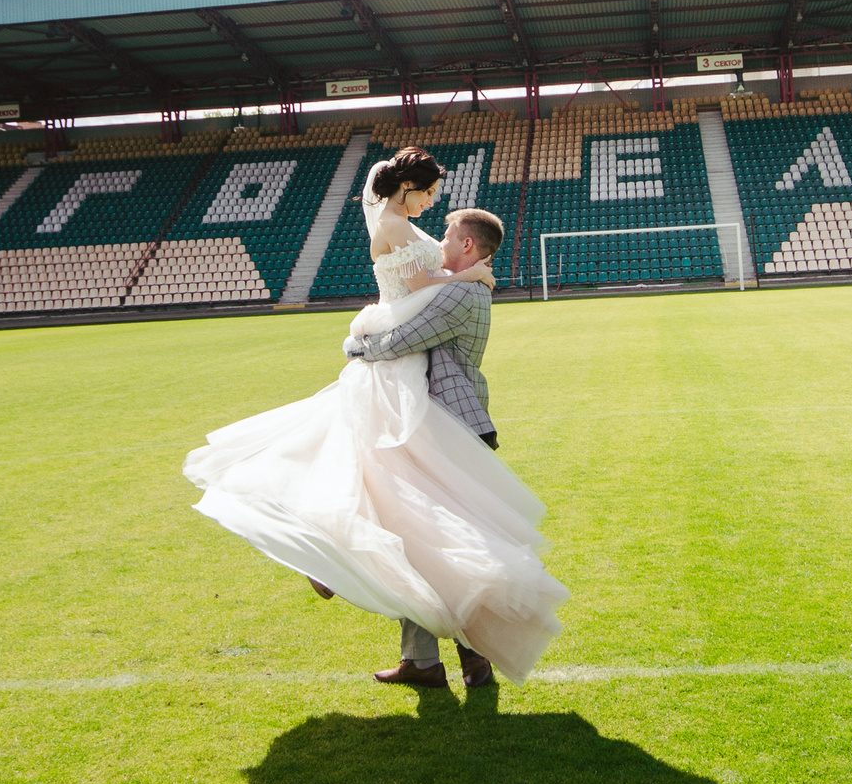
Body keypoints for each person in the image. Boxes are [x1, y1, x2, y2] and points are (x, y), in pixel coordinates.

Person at [182, 147, 566, 687]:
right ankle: (386, 612)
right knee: (397, 505)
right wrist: (467, 275)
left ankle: (347, 571)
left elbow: (410, 317)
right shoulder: (410, 240)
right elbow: (413, 294)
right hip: (404, 378)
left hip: (420, 386)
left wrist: (364, 338)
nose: (434, 205)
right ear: (407, 187)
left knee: (402, 508)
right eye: (430, 192)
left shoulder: (430, 258)